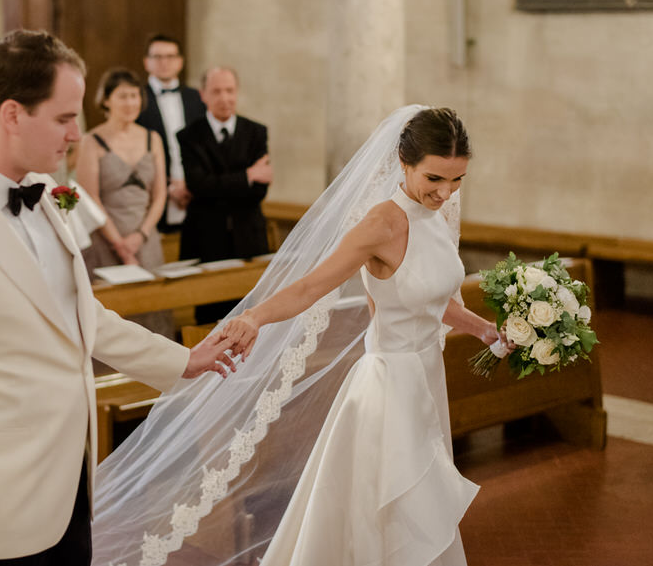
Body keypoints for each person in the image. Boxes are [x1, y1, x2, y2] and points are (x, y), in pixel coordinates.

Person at [89, 106, 514, 566]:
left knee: (420, 504)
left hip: (427, 378)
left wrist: (486, 330)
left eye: (457, 181)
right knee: (393, 509)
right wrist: (253, 318)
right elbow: (311, 285)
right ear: (404, 162)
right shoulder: (381, 224)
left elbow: (431, 299)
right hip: (389, 384)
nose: (445, 193)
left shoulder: (439, 216)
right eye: (435, 179)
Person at [0, 29, 237, 566]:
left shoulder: (48, 194)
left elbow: (79, 315)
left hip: (71, 490)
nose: (75, 135)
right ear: (12, 114)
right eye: (64, 118)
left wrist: (183, 360)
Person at [75, 67, 173, 337]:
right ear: (106, 100)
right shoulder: (91, 141)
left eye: (134, 96)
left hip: (146, 239)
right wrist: (119, 243)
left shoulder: (152, 138)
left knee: (152, 311)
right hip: (106, 239)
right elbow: (90, 196)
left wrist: (140, 236)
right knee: (113, 319)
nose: (130, 103)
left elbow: (160, 194)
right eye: (122, 96)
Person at [177, 66, 272, 323]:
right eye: (216, 91)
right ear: (203, 95)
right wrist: (247, 176)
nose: (224, 98)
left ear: (237, 92)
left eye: (229, 91)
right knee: (209, 320)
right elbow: (198, 185)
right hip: (206, 239)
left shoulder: (256, 132)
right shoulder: (189, 136)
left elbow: (258, 193)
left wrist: (218, 185)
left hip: (249, 238)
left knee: (253, 315)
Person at [135, 34, 205, 233]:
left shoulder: (196, 98)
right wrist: (168, 186)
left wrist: (191, 184)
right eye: (157, 57)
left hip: (195, 196)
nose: (164, 62)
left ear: (180, 61)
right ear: (147, 62)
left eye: (170, 56)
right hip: (151, 199)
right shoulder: (136, 99)